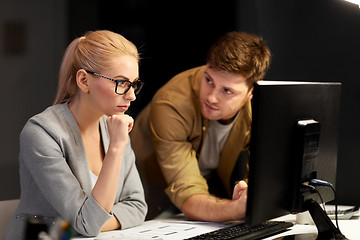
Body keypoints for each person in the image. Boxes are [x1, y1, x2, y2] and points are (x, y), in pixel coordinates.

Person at [5, 30, 147, 239]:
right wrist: (116, 148)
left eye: (134, 84)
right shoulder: (41, 132)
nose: (132, 95)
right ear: (83, 80)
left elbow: (137, 207)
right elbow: (86, 224)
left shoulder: (115, 124)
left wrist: (91, 223)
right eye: (120, 82)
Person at [130, 31, 271, 222]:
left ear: (250, 93)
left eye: (227, 90)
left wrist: (247, 192)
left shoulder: (260, 108)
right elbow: (187, 193)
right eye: (208, 80)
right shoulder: (171, 104)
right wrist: (239, 208)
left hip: (207, 190)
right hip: (150, 191)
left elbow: (260, 175)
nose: (212, 97)